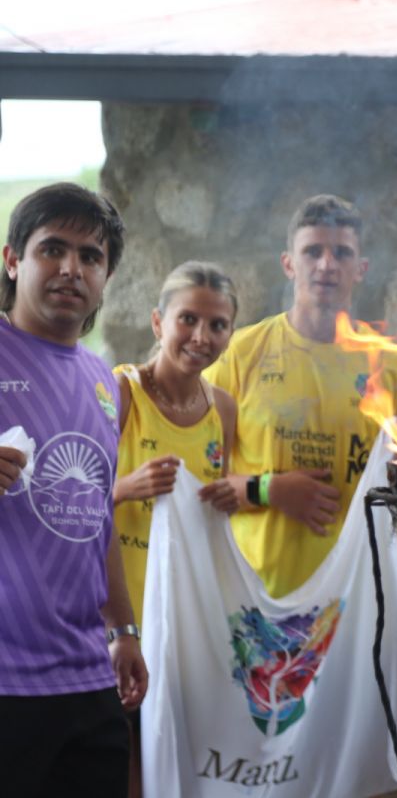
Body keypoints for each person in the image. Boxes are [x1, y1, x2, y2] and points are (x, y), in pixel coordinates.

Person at [0, 182, 147, 796]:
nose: (71, 268)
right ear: (12, 259)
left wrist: (125, 631)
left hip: (89, 680)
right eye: (51, 249)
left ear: (107, 274)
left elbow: (97, 522)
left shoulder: (104, 381)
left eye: (90, 256)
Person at [205, 194, 397, 597]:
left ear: (361, 268)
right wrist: (271, 490)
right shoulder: (240, 353)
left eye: (342, 253)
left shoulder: (395, 367)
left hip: (358, 599)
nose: (327, 264)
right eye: (313, 251)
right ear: (288, 263)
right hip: (257, 598)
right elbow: (198, 481)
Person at [111, 262, 240, 797]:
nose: (201, 337)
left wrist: (231, 499)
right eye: (188, 319)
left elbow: (211, 523)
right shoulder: (120, 392)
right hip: (118, 621)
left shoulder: (223, 410)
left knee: (172, 770)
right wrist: (124, 488)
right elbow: (70, 505)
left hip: (183, 624)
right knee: (122, 769)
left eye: (217, 325)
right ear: (158, 321)